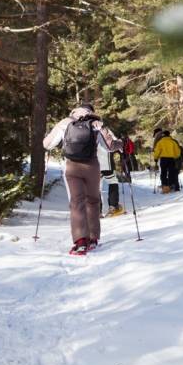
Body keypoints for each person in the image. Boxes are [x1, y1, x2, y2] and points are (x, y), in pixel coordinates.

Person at [43, 103, 123, 255]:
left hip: (72, 167)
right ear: (91, 111)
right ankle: (93, 238)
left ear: (75, 111)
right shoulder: (96, 123)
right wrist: (122, 144)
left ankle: (80, 242)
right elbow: (110, 145)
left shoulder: (64, 123)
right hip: (92, 167)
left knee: (76, 202)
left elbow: (46, 145)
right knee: (92, 201)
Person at [153, 129, 180, 194]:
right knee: (171, 172)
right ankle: (170, 185)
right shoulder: (173, 142)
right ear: (169, 135)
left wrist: (156, 158)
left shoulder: (160, 142)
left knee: (163, 172)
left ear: (163, 135)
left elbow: (157, 151)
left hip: (163, 159)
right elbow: (177, 152)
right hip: (171, 159)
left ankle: (164, 186)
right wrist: (176, 157)